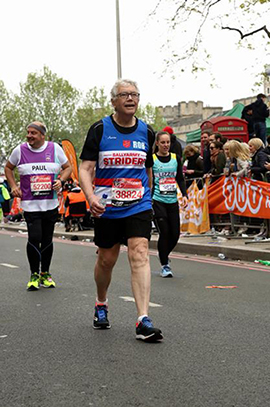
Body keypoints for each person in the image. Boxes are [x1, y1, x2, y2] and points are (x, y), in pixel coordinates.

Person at [79, 79, 163, 342]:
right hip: (107, 207)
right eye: (124, 95)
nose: (131, 98)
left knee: (140, 253)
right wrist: (90, 195)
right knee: (107, 259)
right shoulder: (100, 129)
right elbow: (85, 168)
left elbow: (147, 170)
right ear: (113, 101)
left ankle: (142, 319)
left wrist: (148, 198)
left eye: (135, 94)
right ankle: (101, 303)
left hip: (138, 204)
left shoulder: (147, 132)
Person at [4, 121, 72, 290]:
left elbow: (68, 167)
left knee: (47, 239)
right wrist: (13, 186)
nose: (29, 136)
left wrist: (61, 181)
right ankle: (34, 274)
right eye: (28, 132)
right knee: (34, 237)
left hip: (50, 204)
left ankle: (45, 274)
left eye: (33, 133)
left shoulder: (55, 149)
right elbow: (8, 168)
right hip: (30, 205)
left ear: (42, 135)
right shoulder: (20, 150)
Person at [152, 131, 188, 278]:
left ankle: (163, 253)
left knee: (175, 235)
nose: (166, 145)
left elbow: (179, 178)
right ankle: (165, 264)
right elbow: (148, 180)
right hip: (157, 200)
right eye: (163, 142)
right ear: (157, 144)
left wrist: (184, 195)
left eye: (168, 142)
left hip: (172, 200)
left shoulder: (175, 158)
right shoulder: (152, 159)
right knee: (165, 232)